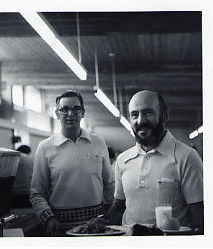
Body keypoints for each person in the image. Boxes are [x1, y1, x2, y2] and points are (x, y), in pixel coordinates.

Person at [106, 90, 203, 234]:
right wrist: (100, 223)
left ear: (164, 116)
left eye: (148, 113)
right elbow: (119, 206)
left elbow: (199, 214)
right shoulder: (123, 160)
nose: (140, 121)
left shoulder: (187, 156)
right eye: (134, 115)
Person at [30, 90, 114, 236]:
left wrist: (108, 215)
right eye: (64, 109)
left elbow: (110, 184)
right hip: (60, 228)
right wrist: (48, 219)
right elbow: (36, 193)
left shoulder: (98, 143)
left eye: (76, 109)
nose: (70, 114)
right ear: (57, 114)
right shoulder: (45, 147)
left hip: (96, 227)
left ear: (83, 112)